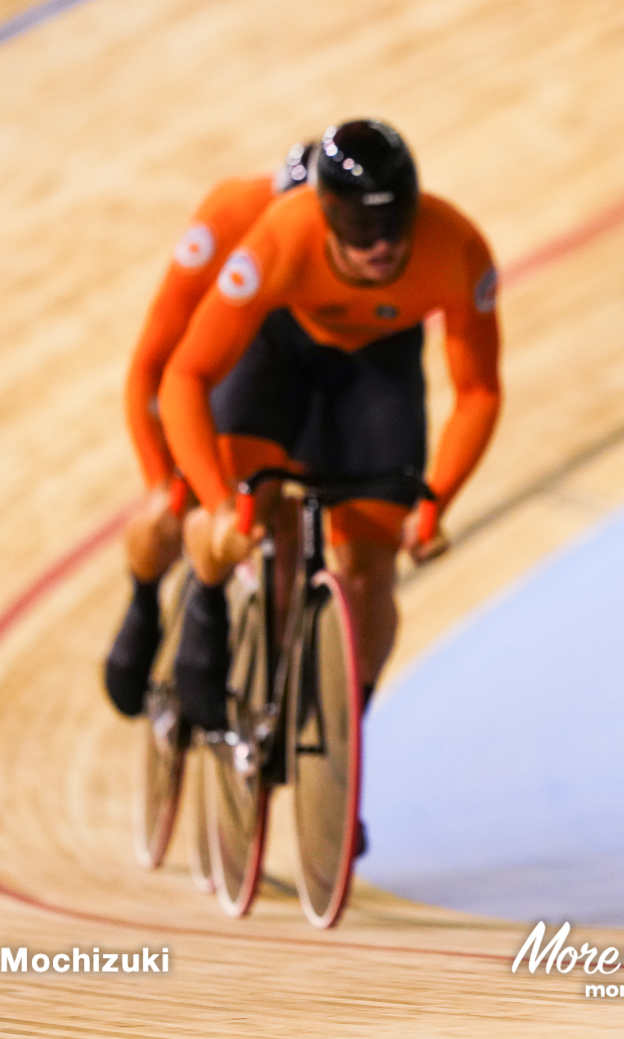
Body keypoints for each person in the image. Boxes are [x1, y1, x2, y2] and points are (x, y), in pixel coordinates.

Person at [158, 118, 501, 736]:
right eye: (361, 230)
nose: (381, 247)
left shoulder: (457, 249)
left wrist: (434, 505)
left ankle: (344, 744)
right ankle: (206, 607)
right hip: (281, 352)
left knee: (373, 570)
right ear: (328, 217)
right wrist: (215, 507)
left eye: (393, 225)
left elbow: (478, 391)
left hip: (377, 368)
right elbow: (185, 375)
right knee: (251, 509)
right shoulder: (281, 239)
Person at [104, 141, 315, 716]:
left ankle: (274, 674)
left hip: (285, 371)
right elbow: (153, 362)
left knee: (290, 507)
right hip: (217, 365)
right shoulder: (229, 215)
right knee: (175, 516)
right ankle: (147, 600)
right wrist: (161, 480)